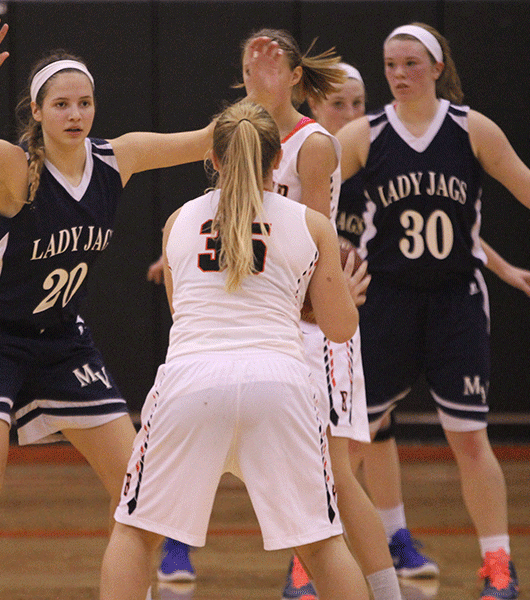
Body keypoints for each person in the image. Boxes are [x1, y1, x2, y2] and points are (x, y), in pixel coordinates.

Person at [0, 18, 214, 600]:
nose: (75, 114)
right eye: (62, 104)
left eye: (85, 102)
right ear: (37, 112)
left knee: (135, 486)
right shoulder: (12, 166)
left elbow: (208, 139)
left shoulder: (120, 159)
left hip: (63, 340)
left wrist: (269, 101)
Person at [336, 22, 530, 600]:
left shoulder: (472, 130)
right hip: (386, 301)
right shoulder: (363, 136)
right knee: (348, 442)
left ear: (438, 67)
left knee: (470, 439)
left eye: (412, 63)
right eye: (391, 64)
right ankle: (317, 557)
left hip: (455, 302)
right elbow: (302, 193)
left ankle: (498, 564)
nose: (399, 74)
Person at [99, 99, 368, 600]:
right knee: (324, 546)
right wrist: (343, 297)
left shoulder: (178, 220)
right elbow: (337, 329)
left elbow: (184, 314)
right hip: (282, 386)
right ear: (276, 162)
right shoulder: (312, 224)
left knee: (134, 534)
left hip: (192, 382)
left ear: (215, 159)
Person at [310, 61, 530, 584]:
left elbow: (445, 224)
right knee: (352, 439)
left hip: (427, 304)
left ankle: (407, 539)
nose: (354, 113)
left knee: (390, 435)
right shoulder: (326, 165)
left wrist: (503, 266)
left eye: (359, 102)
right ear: (314, 106)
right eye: (340, 104)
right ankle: (311, 555)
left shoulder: (368, 154)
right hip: (350, 312)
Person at [240, 32, 406, 600]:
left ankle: (385, 592)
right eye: (248, 64)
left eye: (270, 62)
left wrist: (322, 295)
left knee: (334, 472)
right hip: (261, 322)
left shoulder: (313, 145)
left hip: (312, 327)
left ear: (294, 78)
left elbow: (312, 242)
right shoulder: (239, 137)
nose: (257, 71)